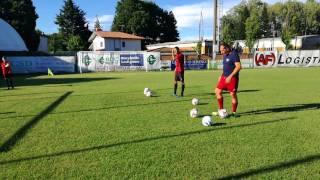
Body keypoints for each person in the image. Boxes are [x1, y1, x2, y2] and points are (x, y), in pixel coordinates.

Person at [214, 42, 241, 117]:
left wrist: (230, 76)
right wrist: (221, 75)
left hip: (232, 78)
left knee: (233, 95)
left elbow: (238, 67)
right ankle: (221, 110)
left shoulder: (234, 54)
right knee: (217, 91)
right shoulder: (225, 55)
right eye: (221, 51)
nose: (221, 52)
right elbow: (225, 67)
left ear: (226, 48)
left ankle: (234, 113)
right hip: (224, 77)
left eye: (222, 50)